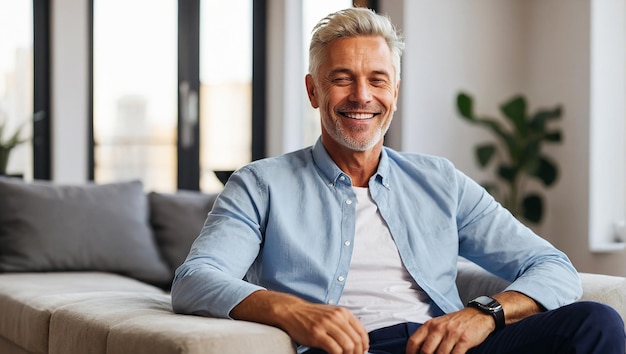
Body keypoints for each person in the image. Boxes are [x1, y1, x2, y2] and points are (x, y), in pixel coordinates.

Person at [172, 7, 625, 354]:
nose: (362, 96)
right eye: (342, 79)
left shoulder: (439, 180)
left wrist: (483, 314)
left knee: (597, 323)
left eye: (377, 80)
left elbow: (554, 268)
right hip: (355, 348)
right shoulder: (261, 184)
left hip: (446, 343)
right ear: (313, 90)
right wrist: (291, 310)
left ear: (395, 91)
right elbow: (195, 278)